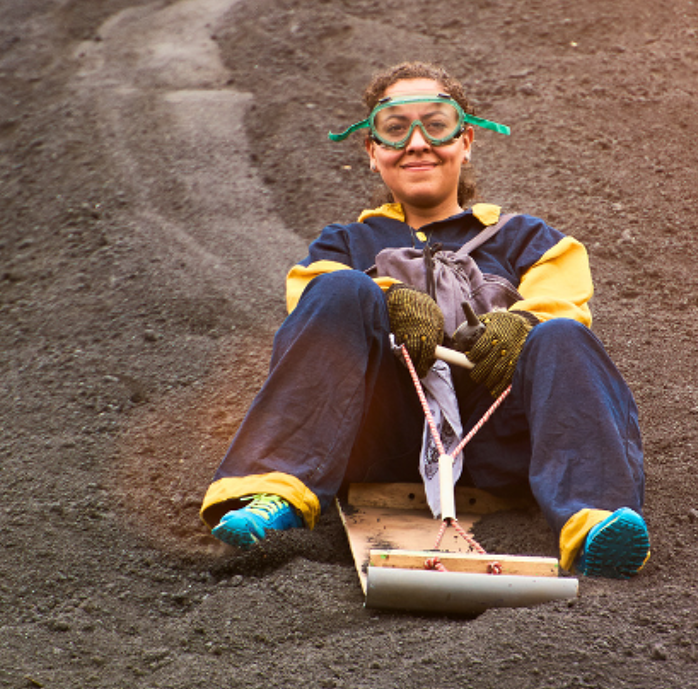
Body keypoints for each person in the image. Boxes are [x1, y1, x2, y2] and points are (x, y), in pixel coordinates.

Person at [201, 62, 650, 580]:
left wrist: (519, 323)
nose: (416, 143)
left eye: (435, 125)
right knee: (341, 288)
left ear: (466, 140)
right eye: (395, 130)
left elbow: (564, 300)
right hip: (382, 441)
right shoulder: (343, 244)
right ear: (373, 153)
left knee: (563, 336)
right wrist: (387, 298)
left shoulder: (529, 239)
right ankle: (271, 495)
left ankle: (592, 519)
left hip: (499, 444)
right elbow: (310, 298)